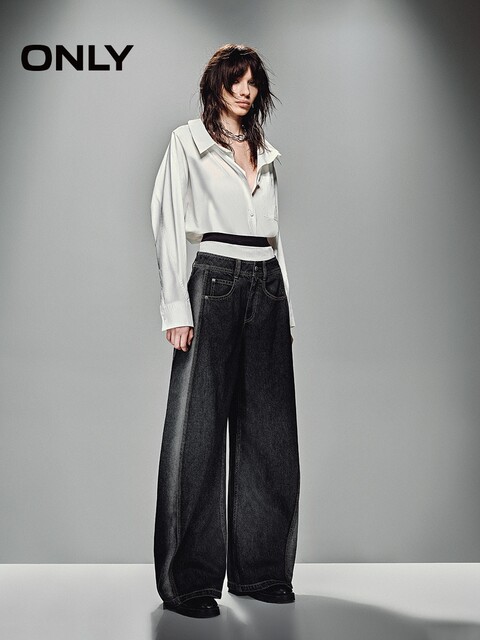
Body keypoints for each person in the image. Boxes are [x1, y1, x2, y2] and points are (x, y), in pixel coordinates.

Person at [151, 43, 300, 618]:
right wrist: (175, 307)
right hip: (213, 277)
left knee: (270, 432)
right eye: (236, 80)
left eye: (253, 82)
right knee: (198, 433)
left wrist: (287, 307)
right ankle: (188, 582)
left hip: (267, 283)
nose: (245, 89)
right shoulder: (188, 141)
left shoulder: (265, 150)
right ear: (216, 83)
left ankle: (261, 572)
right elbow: (167, 217)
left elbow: (276, 235)